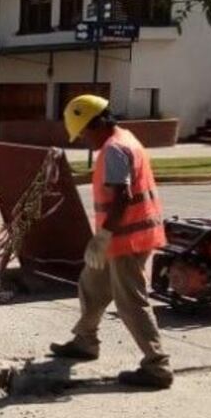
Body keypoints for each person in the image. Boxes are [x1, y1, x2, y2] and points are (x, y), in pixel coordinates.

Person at [51, 94, 173, 389]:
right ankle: (85, 341)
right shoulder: (124, 138)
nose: (83, 139)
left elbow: (122, 196)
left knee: (130, 301)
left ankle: (157, 366)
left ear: (98, 123)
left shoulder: (115, 149)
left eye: (83, 132)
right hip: (125, 234)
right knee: (91, 284)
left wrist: (104, 235)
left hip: (125, 238)